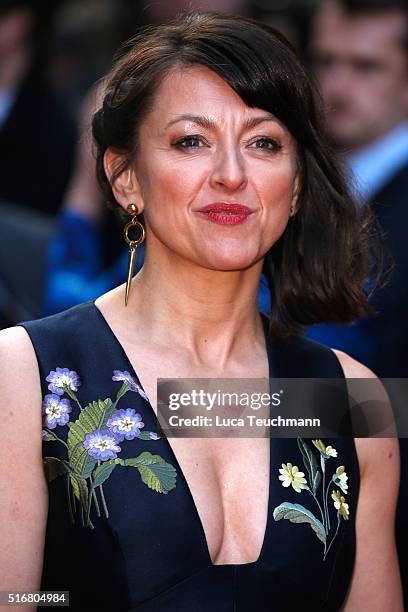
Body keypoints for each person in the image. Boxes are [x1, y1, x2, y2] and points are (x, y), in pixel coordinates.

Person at [0, 11, 402, 611]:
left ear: (294, 187)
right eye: (192, 141)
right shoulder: (23, 375)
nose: (232, 175)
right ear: (125, 176)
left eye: (263, 143)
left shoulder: (350, 398)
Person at [307, 0, 408, 604]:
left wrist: (215, 406)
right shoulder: (299, 186)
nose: (337, 85)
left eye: (365, 66)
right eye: (326, 61)